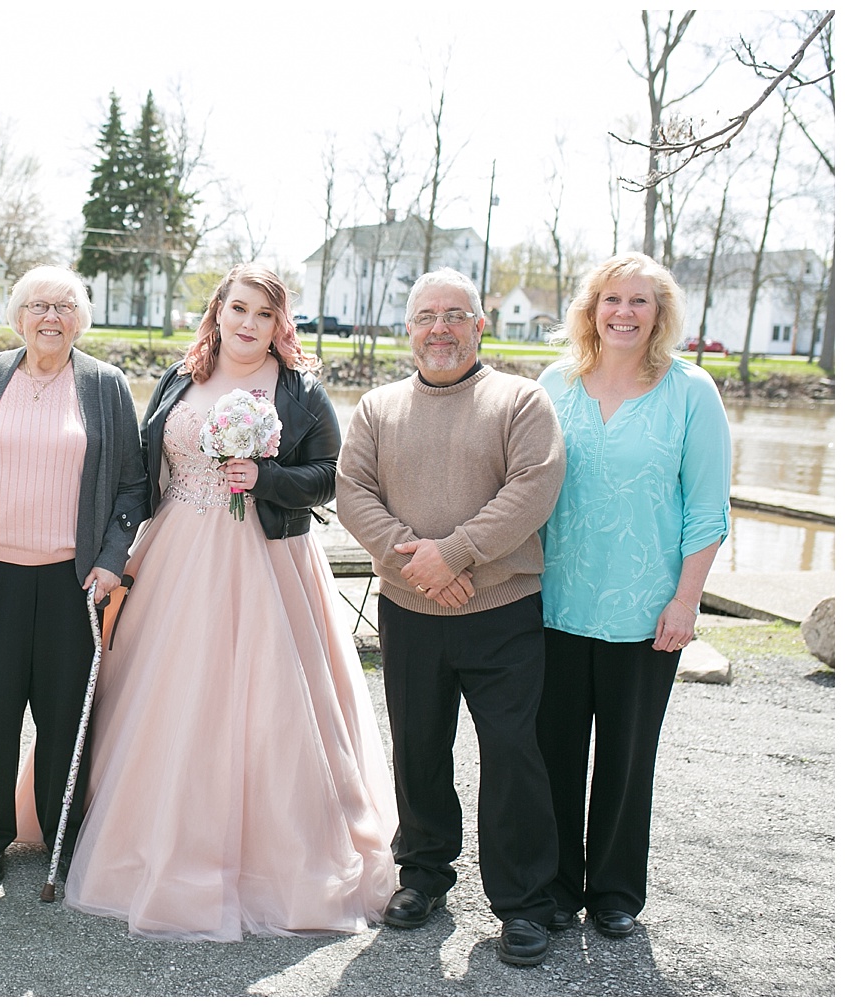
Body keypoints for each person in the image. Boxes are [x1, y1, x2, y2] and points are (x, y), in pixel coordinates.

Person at [64, 264, 398, 941]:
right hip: (177, 554)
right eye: (237, 308)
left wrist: (266, 477)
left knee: (271, 705)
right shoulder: (180, 379)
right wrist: (118, 553)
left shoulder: (300, 391)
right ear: (217, 311)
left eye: (264, 313)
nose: (248, 323)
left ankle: (275, 859)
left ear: (281, 325)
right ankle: (138, 836)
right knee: (163, 695)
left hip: (268, 560)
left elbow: (330, 475)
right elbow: (141, 472)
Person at [336, 268, 566, 967]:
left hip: (500, 612)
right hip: (410, 610)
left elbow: (536, 486)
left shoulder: (521, 401)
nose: (440, 327)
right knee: (419, 749)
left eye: (454, 314)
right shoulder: (378, 408)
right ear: (409, 329)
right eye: (425, 316)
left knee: (512, 753)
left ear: (479, 324)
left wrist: (458, 554)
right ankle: (425, 875)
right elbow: (353, 491)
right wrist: (419, 564)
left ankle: (524, 903)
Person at [536, 254, 730, 939]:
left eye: (639, 301)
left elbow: (708, 509)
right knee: (553, 751)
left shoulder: (691, 391)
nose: (624, 311)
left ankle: (615, 889)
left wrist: (687, 600)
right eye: (611, 298)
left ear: (660, 312)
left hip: (648, 613)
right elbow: (524, 488)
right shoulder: (554, 384)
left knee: (626, 756)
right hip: (555, 605)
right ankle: (556, 886)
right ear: (591, 308)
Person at [0, 265, 147, 885]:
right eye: (37, 306)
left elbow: (134, 486)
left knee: (66, 715)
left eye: (63, 306)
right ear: (18, 315)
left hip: (73, 581)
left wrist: (112, 559)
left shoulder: (106, 385)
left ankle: (65, 837)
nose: (50, 317)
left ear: (80, 317)